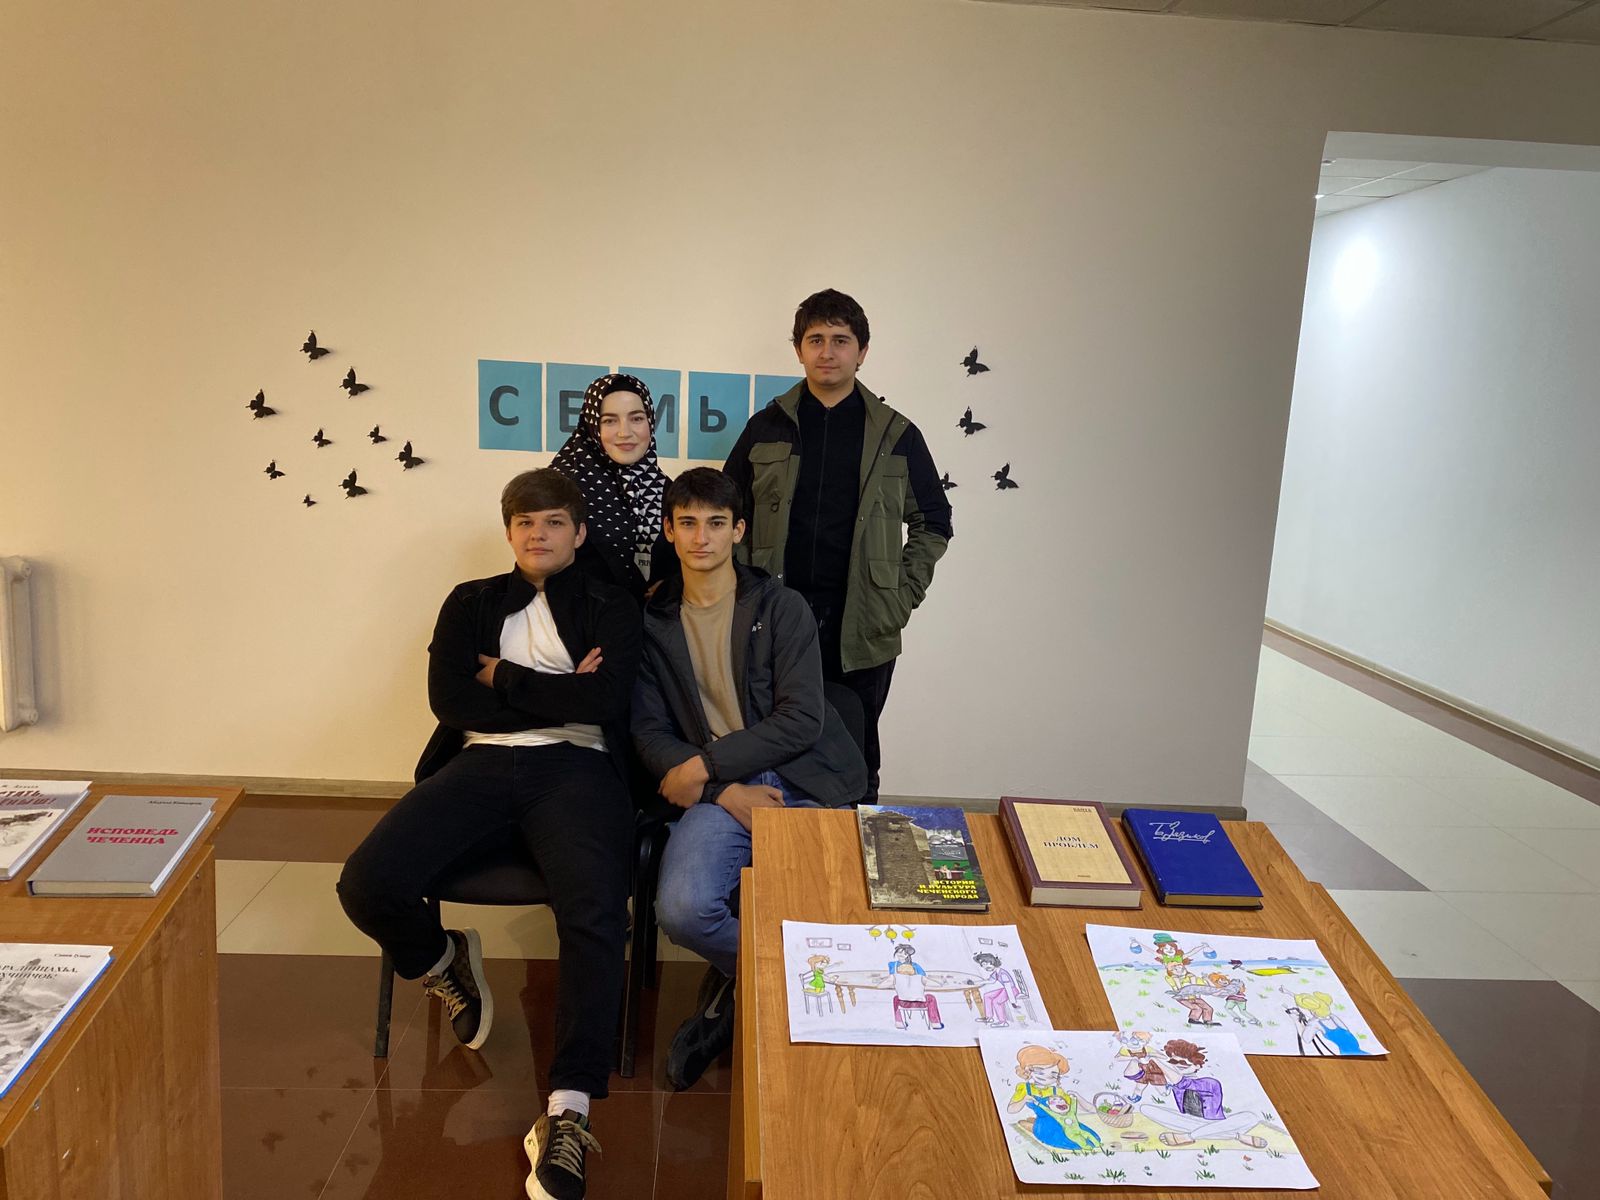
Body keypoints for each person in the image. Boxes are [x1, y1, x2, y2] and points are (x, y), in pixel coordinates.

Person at [336, 468, 641, 1200]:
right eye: (525, 522)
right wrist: (563, 694)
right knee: (366, 883)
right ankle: (444, 960)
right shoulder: (470, 602)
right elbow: (449, 700)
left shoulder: (611, 602)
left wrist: (502, 678)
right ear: (509, 532)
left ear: (579, 532)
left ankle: (568, 1110)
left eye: (554, 521)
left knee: (595, 913)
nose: (538, 534)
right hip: (477, 762)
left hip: (577, 767)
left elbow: (608, 701)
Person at [632, 467, 866, 1088]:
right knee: (682, 910)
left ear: (738, 531)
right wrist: (720, 790)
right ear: (668, 530)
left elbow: (802, 719)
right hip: (722, 793)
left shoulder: (780, 607)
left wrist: (705, 767)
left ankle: (741, 993)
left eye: (715, 523)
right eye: (687, 523)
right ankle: (776, 983)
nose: (701, 537)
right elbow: (649, 732)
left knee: (831, 913)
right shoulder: (652, 623)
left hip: (804, 780)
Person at [723, 289, 952, 800]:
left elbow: (935, 520)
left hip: (863, 621)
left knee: (856, 754)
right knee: (769, 741)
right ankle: (784, 842)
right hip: (775, 616)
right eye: (816, 339)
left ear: (862, 351)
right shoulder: (766, 427)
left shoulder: (895, 434)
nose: (827, 351)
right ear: (799, 350)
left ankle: (856, 840)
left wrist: (900, 596)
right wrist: (741, 589)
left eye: (841, 340)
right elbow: (727, 515)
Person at [551, 372, 674, 602]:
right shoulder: (560, 488)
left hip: (654, 620)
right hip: (581, 619)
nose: (624, 432)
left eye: (636, 418)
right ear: (592, 425)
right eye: (609, 421)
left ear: (650, 421)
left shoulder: (666, 489)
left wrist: (676, 584)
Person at [1006, 1045, 1102, 1152]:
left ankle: (1031, 1123)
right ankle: (1030, 1125)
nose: (1046, 1077)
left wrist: (1078, 1097)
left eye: (1053, 1075)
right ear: (1028, 1071)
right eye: (1041, 1072)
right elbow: (1011, 1110)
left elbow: (1089, 1109)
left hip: (1066, 1124)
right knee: (1071, 1141)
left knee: (1093, 1138)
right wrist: (1024, 1099)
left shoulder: (1057, 1091)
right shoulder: (1025, 1088)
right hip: (1045, 1127)